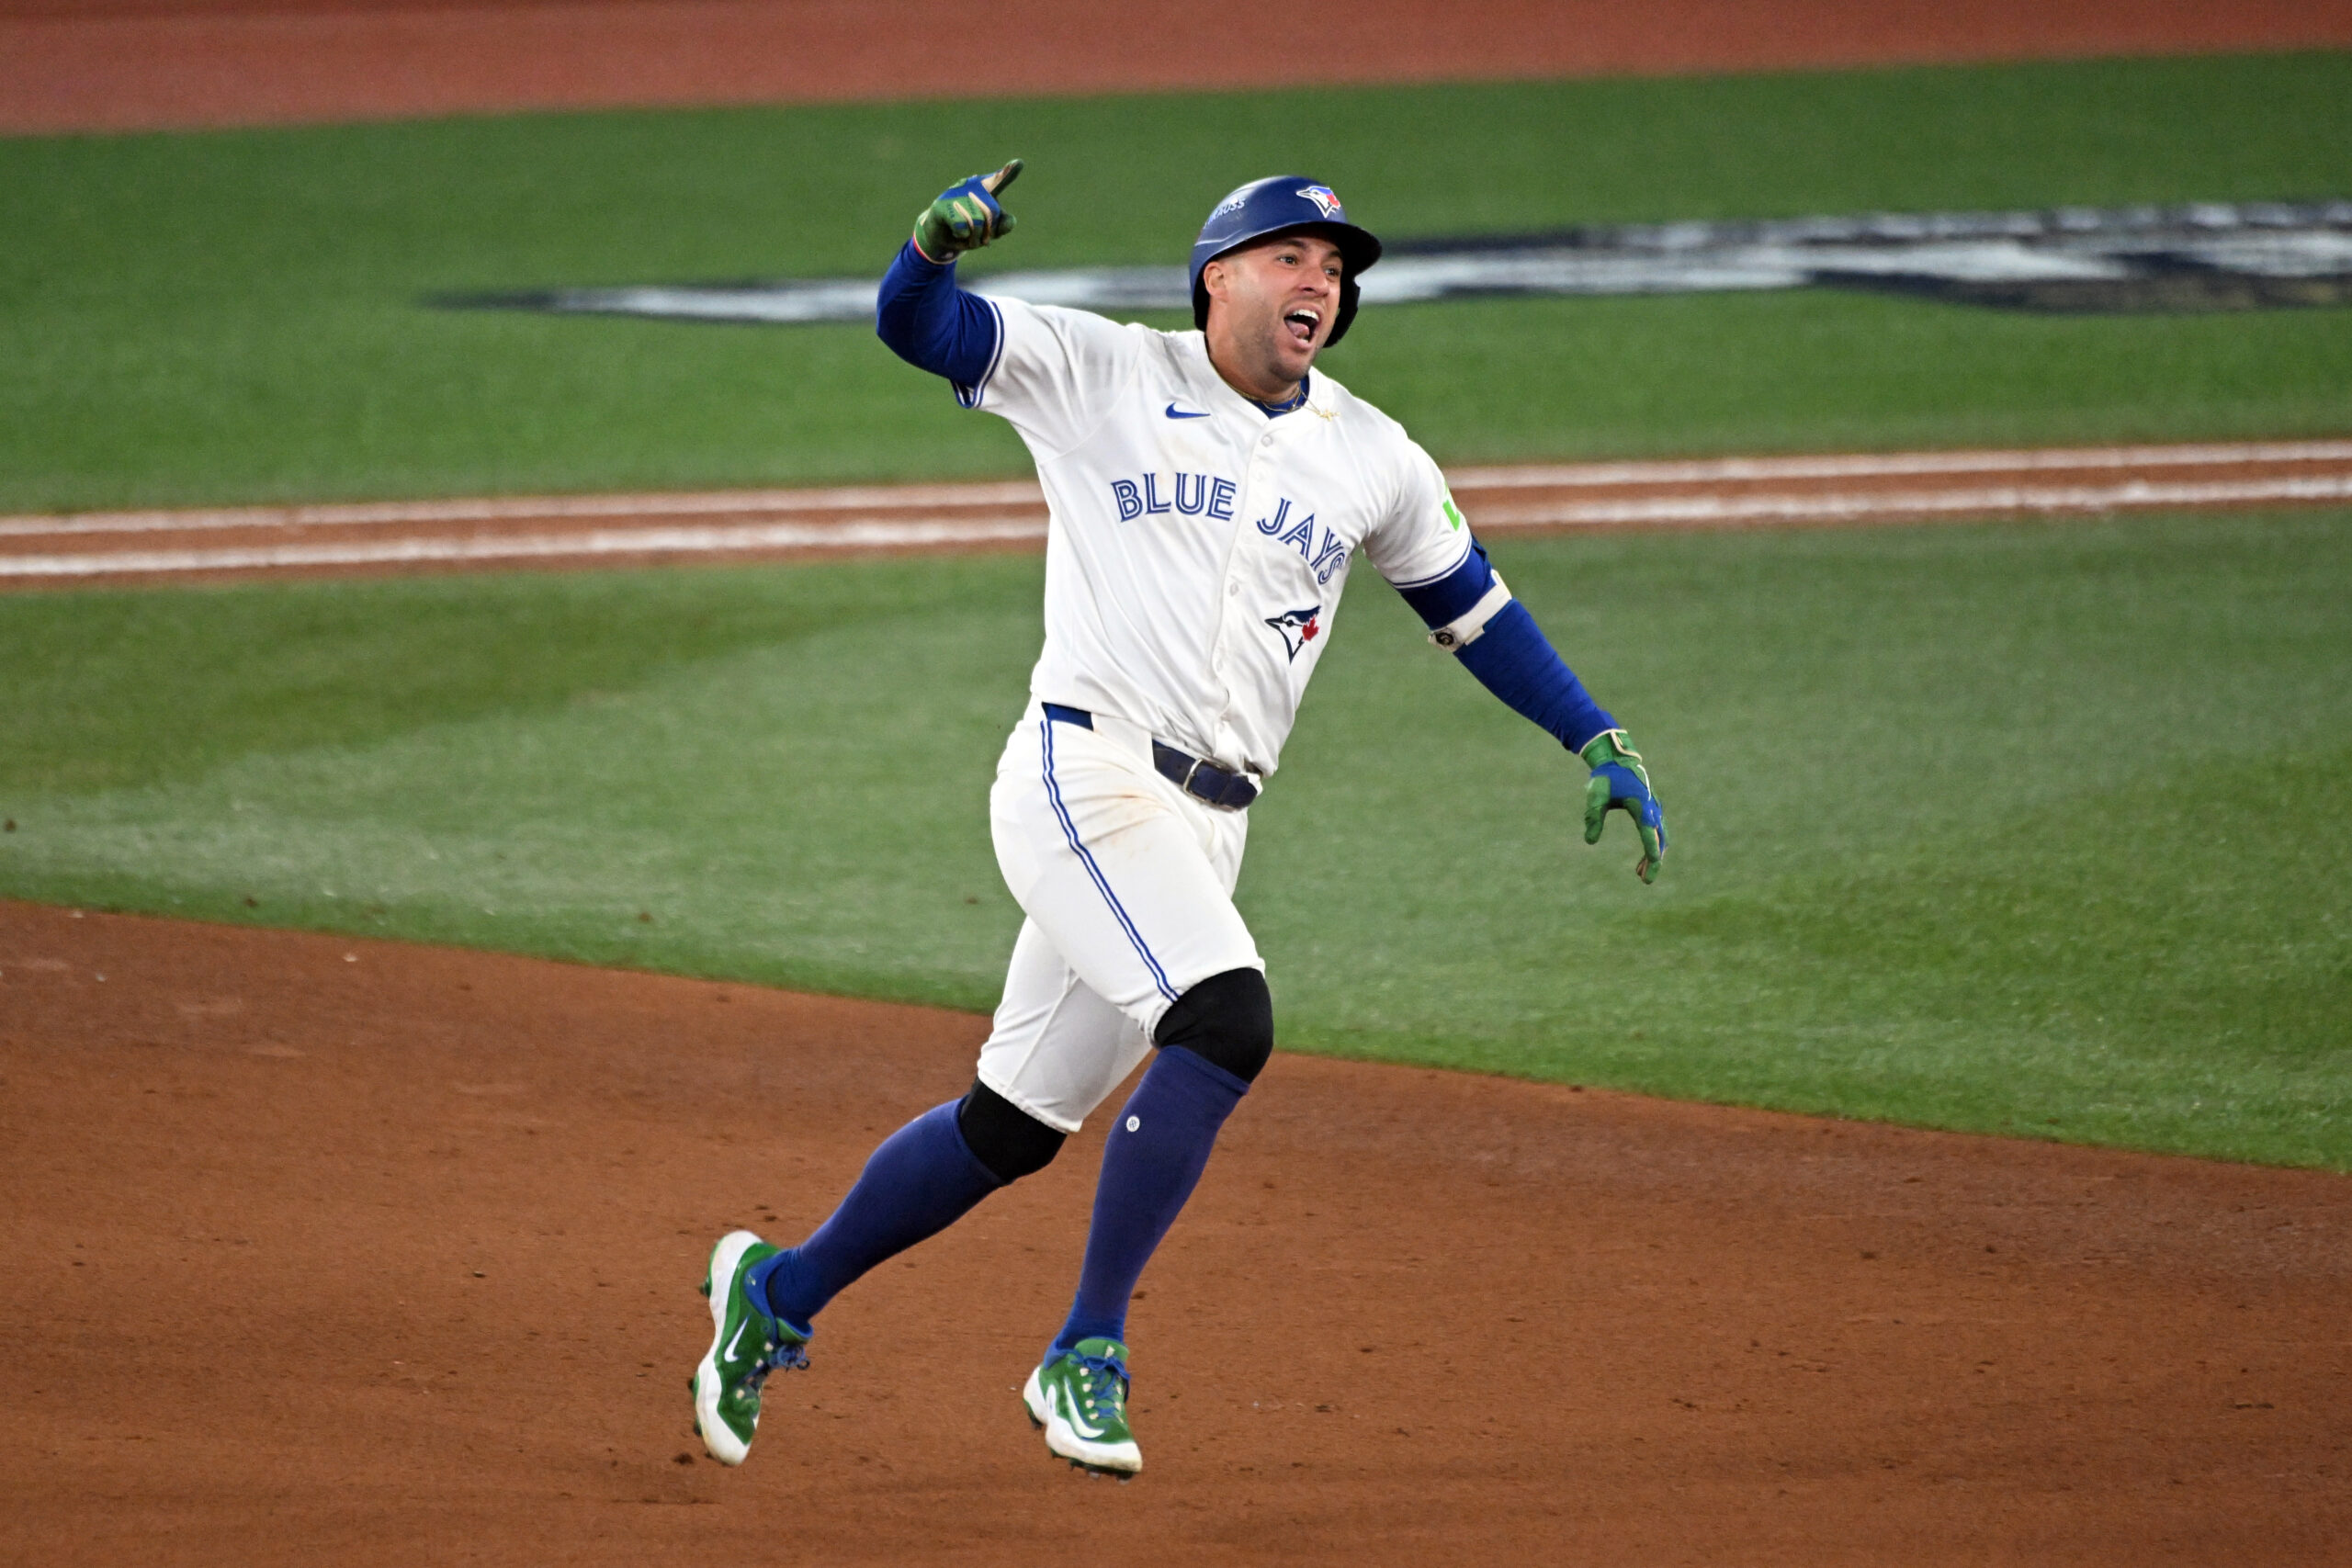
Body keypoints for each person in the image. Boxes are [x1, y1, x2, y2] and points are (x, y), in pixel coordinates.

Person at [691, 162, 1668, 1479]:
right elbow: (917, 330)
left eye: (1336, 268)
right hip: (1083, 778)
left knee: (1013, 1126)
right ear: (1218, 275)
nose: (1320, 281)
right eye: (1291, 257)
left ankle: (778, 1295)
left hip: (1208, 827)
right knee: (1226, 1018)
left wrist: (1592, 732)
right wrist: (927, 250)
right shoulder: (1103, 370)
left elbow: (1475, 613)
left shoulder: (1374, 454)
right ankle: (1085, 1349)